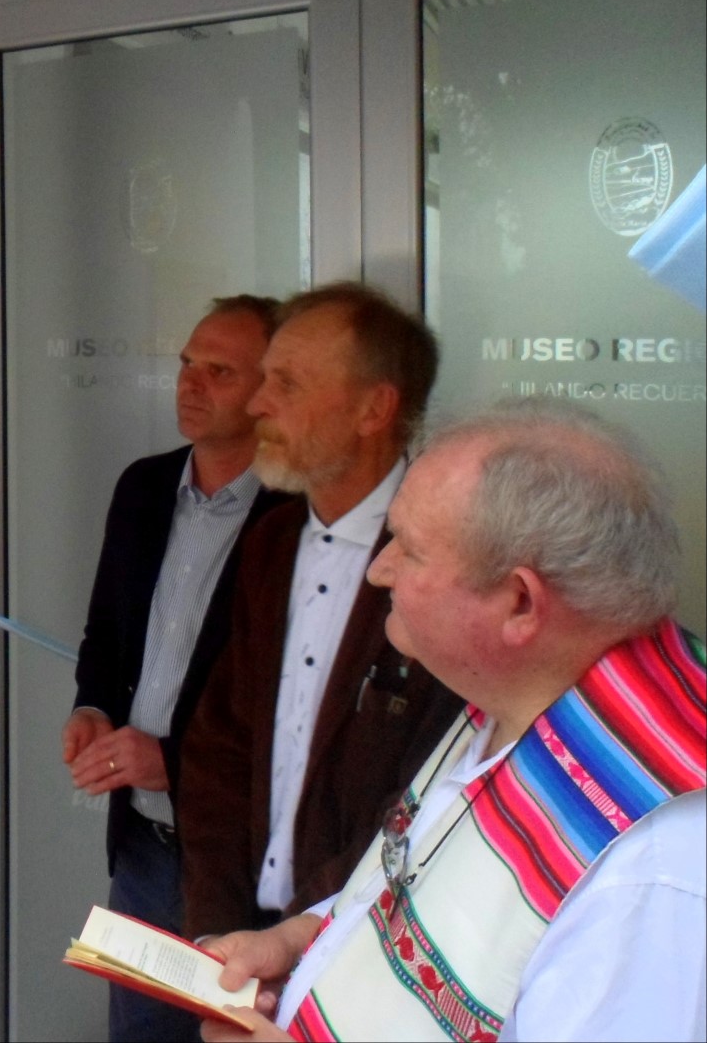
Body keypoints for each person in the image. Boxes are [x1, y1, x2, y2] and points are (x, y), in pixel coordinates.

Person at [199, 399, 705, 1042]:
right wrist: (302, 940)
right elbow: (433, 883)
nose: (378, 569)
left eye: (408, 550)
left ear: (519, 602)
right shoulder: (528, 696)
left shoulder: (652, 864)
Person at [177, 282, 464, 940]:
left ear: (374, 409)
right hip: (243, 937)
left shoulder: (448, 564)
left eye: (287, 383)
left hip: (364, 941)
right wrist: (218, 931)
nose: (257, 404)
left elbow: (429, 786)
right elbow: (220, 748)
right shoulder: (271, 543)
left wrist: (302, 939)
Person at [64, 295, 289, 1042]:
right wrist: (91, 708)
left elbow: (297, 706)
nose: (190, 384)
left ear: (270, 389)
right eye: (187, 363)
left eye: (219, 371)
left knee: (235, 1033)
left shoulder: (297, 519)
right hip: (143, 845)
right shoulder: (143, 488)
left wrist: (176, 763)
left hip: (245, 861)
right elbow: (106, 633)